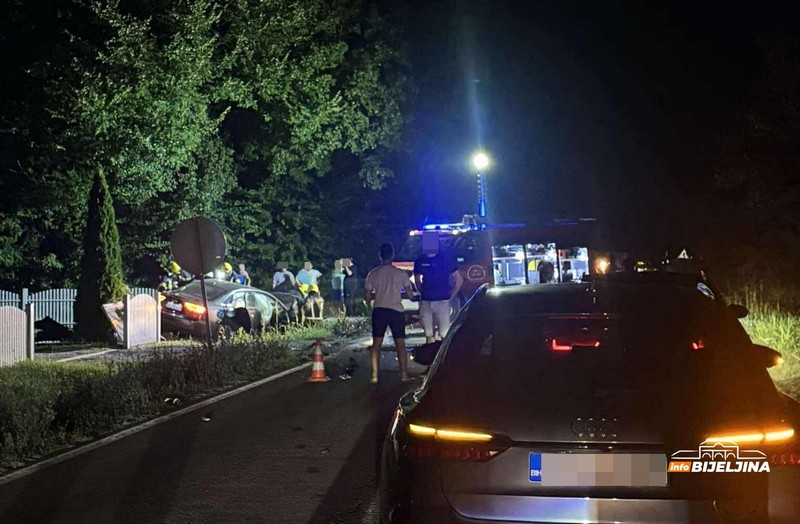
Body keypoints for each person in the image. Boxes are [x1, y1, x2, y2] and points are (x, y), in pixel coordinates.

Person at [364, 243, 415, 384]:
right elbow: (410, 295)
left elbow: (367, 296)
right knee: (400, 345)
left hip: (379, 310)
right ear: (392, 255)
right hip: (396, 311)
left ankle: (374, 376)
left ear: (380, 256)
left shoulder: (373, 274)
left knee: (376, 344)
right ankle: (404, 375)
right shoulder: (401, 274)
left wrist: (376, 296)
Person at [414, 248, 463, 344]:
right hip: (429, 301)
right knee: (430, 334)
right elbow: (417, 280)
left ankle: (440, 355)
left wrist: (451, 296)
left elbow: (459, 279)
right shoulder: (421, 260)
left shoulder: (444, 259)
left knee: (442, 334)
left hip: (439, 301)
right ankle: (432, 356)